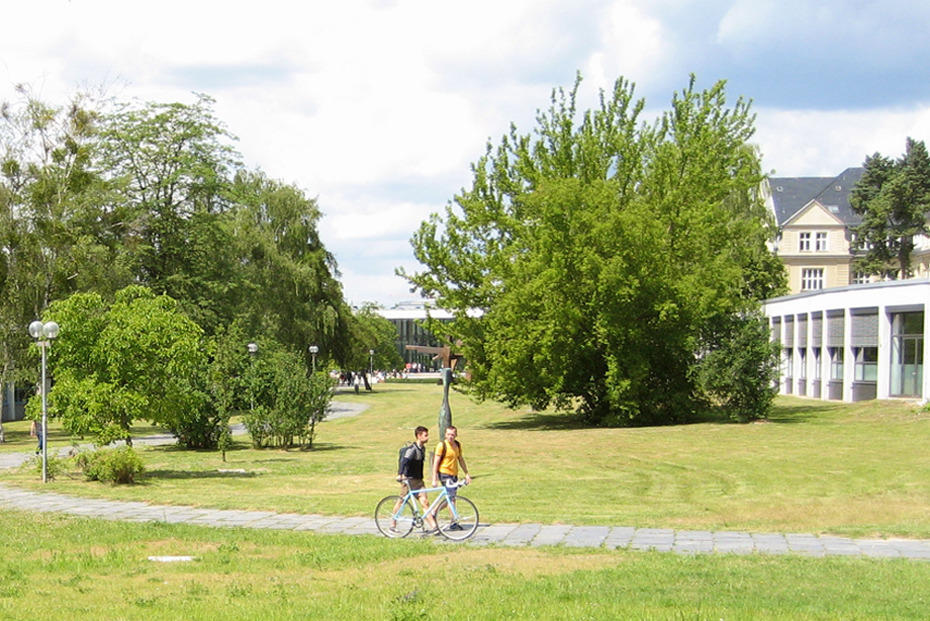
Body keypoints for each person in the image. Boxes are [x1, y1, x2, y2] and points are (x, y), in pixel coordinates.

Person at [393, 426, 437, 533]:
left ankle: (434, 527)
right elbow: (404, 461)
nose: (428, 437)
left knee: (425, 502)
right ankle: (392, 524)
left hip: (419, 481)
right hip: (409, 480)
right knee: (401, 501)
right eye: (425, 435)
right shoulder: (412, 449)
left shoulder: (423, 449)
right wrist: (400, 474)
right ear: (419, 436)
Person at [431, 425, 472, 529]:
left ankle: (434, 511)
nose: (450, 437)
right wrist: (434, 478)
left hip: (454, 474)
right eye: (448, 434)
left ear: (456, 435)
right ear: (445, 435)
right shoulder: (442, 445)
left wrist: (466, 473)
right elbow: (435, 462)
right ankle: (453, 522)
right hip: (444, 473)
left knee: (451, 497)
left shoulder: (457, 445)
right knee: (451, 498)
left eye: (453, 435)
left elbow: (460, 459)